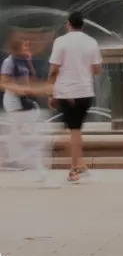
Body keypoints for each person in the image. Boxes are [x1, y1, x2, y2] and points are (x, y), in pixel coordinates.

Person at [48, 11, 102, 183]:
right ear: (83, 25)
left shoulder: (61, 42)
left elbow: (54, 69)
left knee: (73, 132)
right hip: (86, 92)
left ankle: (74, 169)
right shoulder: (92, 42)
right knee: (74, 130)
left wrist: (51, 91)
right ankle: (81, 164)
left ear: (68, 24)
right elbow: (97, 70)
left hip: (67, 93)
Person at [0, 32, 50, 180]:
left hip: (23, 101)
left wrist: (28, 61)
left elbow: (30, 79)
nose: (28, 48)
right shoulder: (10, 61)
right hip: (14, 102)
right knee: (32, 135)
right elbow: (3, 83)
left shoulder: (23, 61)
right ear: (17, 47)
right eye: (25, 46)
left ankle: (9, 158)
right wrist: (19, 89)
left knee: (20, 133)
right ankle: (35, 168)